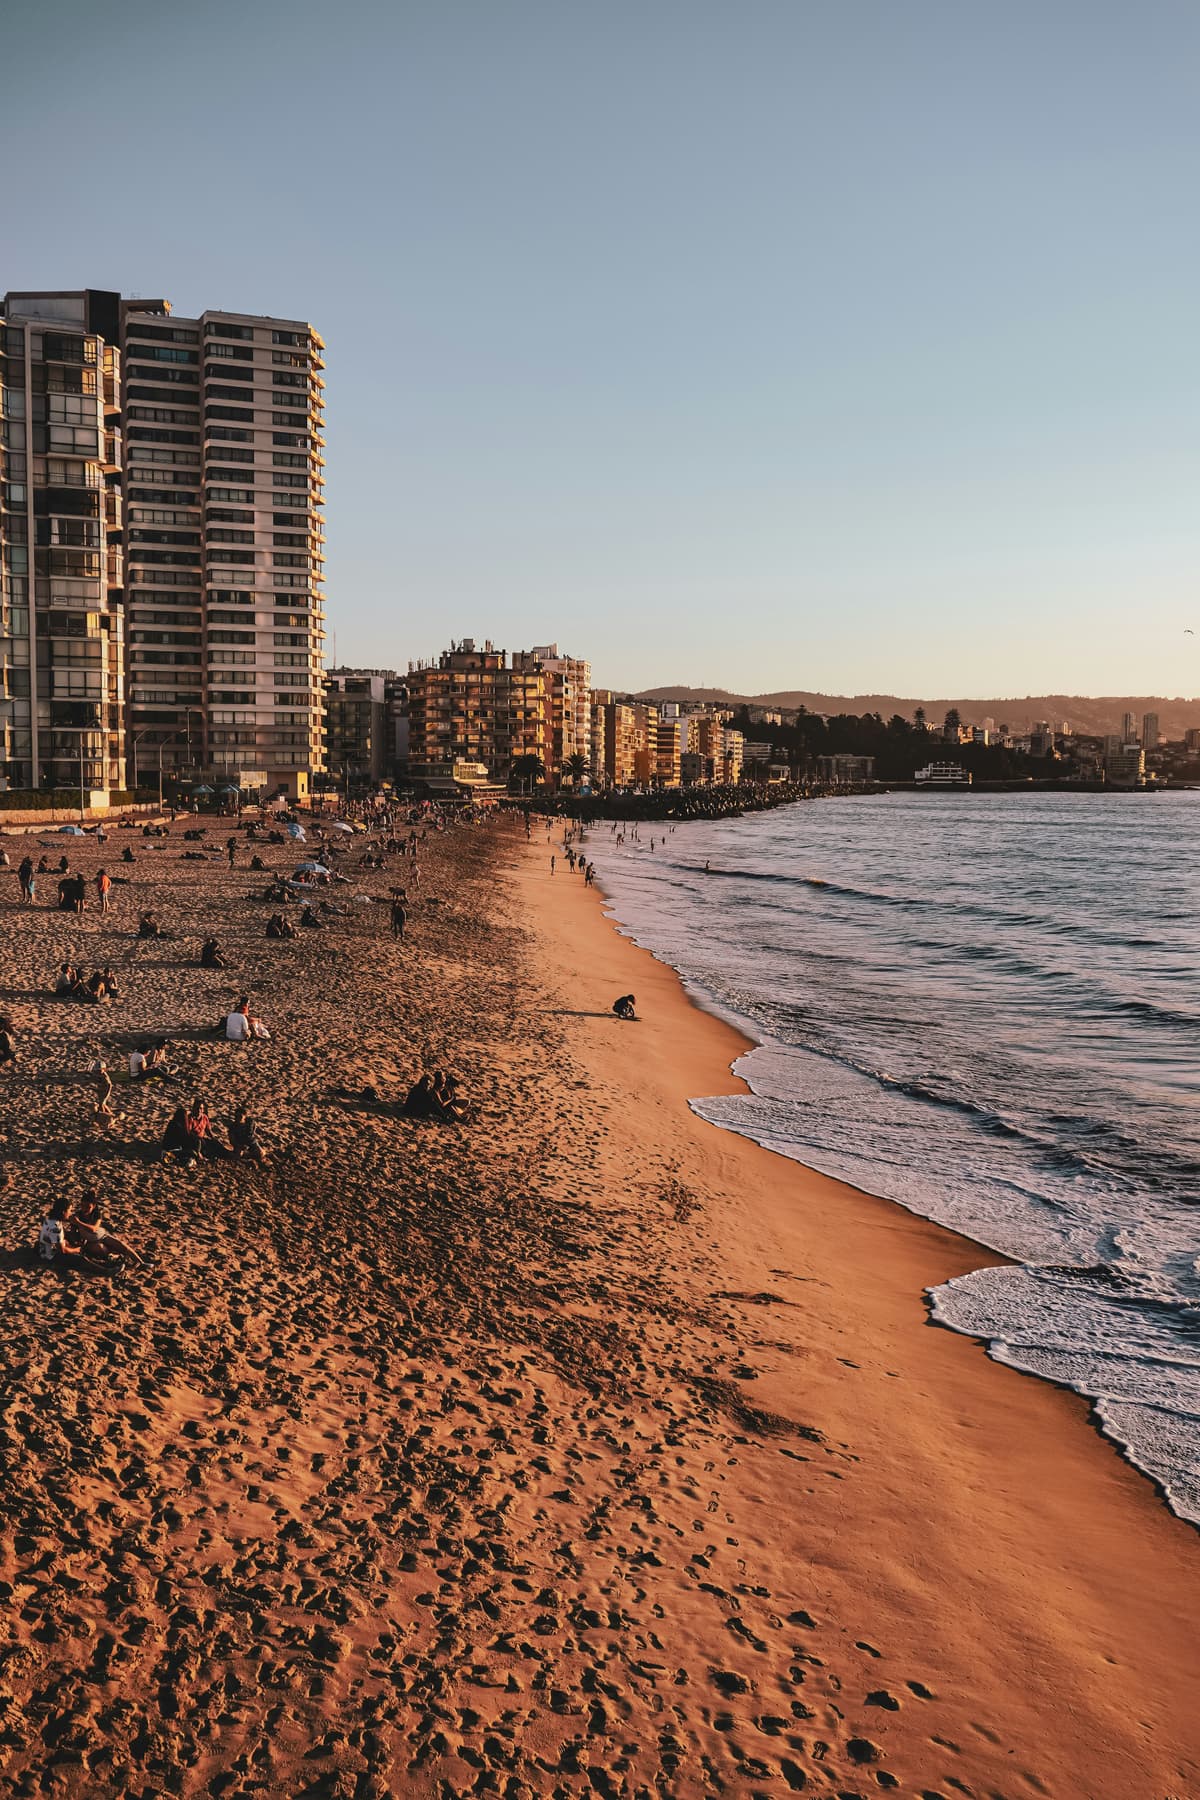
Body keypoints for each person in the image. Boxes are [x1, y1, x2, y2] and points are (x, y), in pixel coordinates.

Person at [71, 1190, 143, 1265]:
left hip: (103, 1235)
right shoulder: (78, 1215)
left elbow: (94, 1229)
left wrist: (78, 1222)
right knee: (101, 1249)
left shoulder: (96, 1214)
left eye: (88, 1207)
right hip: (90, 1242)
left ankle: (141, 1262)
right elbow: (73, 1232)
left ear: (94, 1206)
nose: (84, 1209)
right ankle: (116, 1256)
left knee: (121, 1245)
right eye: (82, 1206)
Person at [38, 1198, 85, 1265]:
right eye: (69, 1210)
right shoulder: (56, 1227)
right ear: (63, 1212)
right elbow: (62, 1250)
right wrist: (76, 1250)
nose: (70, 1213)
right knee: (82, 1260)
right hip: (51, 1256)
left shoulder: (49, 1220)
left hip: (43, 1251)